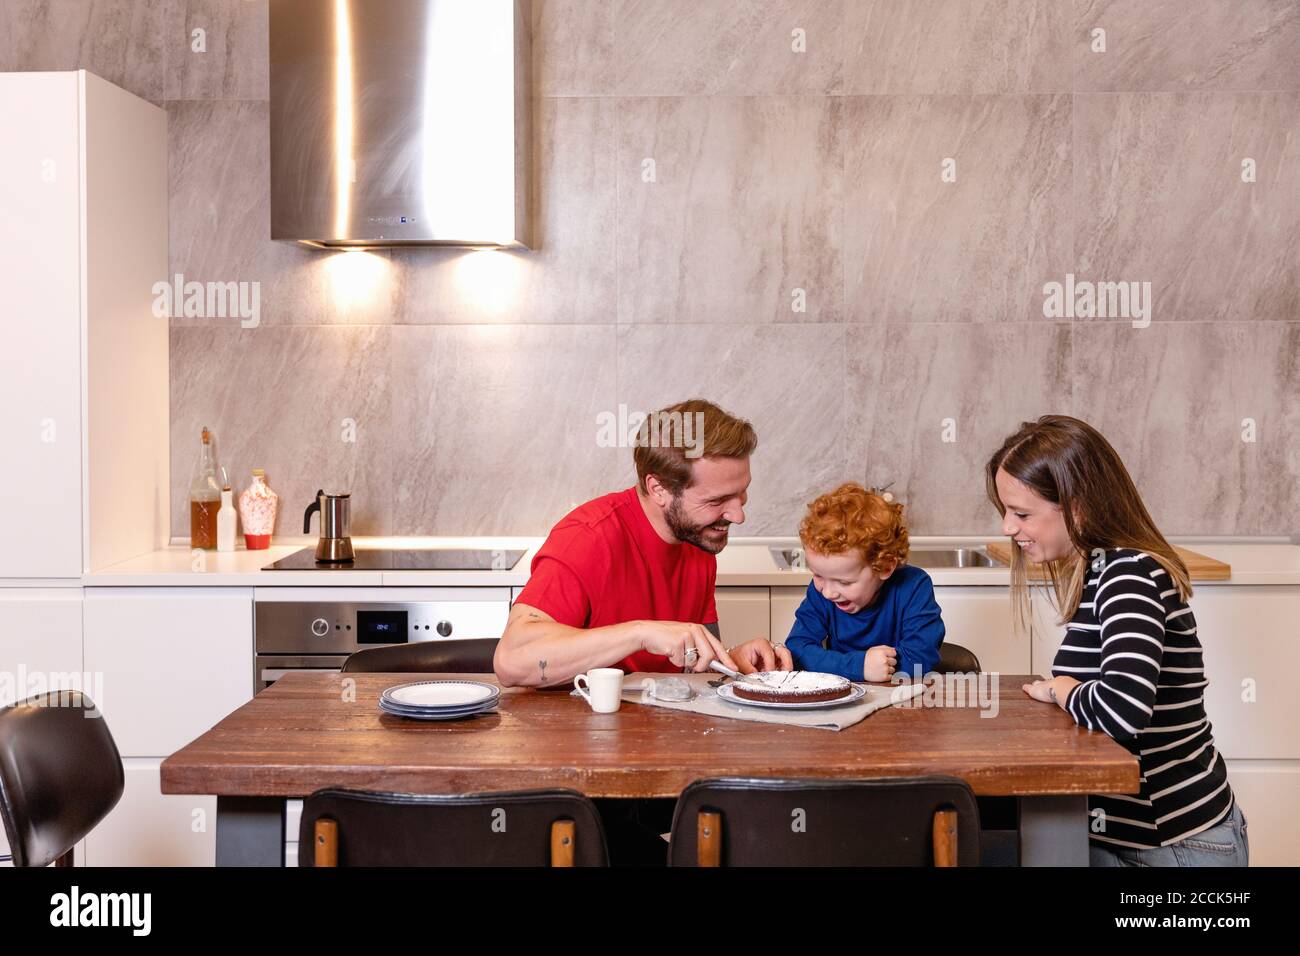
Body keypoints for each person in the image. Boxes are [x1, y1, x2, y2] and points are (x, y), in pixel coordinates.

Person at [494, 397, 792, 864]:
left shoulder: (698, 538)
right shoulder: (588, 538)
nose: (738, 516)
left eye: (742, 494)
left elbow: (692, 665)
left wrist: (731, 658)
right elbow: (511, 661)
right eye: (718, 501)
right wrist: (639, 632)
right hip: (579, 794)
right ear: (658, 489)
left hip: (658, 771)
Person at [987, 415, 1247, 866]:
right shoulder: (1105, 571)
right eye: (1006, 512)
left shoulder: (1128, 575)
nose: (1008, 527)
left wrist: (1061, 689)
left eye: (1022, 513)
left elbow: (1123, 709)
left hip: (1173, 846)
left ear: (1078, 506)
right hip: (1138, 838)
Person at [782, 482, 944, 682]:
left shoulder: (914, 587)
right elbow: (797, 651)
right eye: (817, 575)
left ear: (884, 567)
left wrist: (835, 664)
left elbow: (921, 660)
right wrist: (860, 666)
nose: (828, 592)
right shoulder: (822, 590)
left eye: (845, 582)